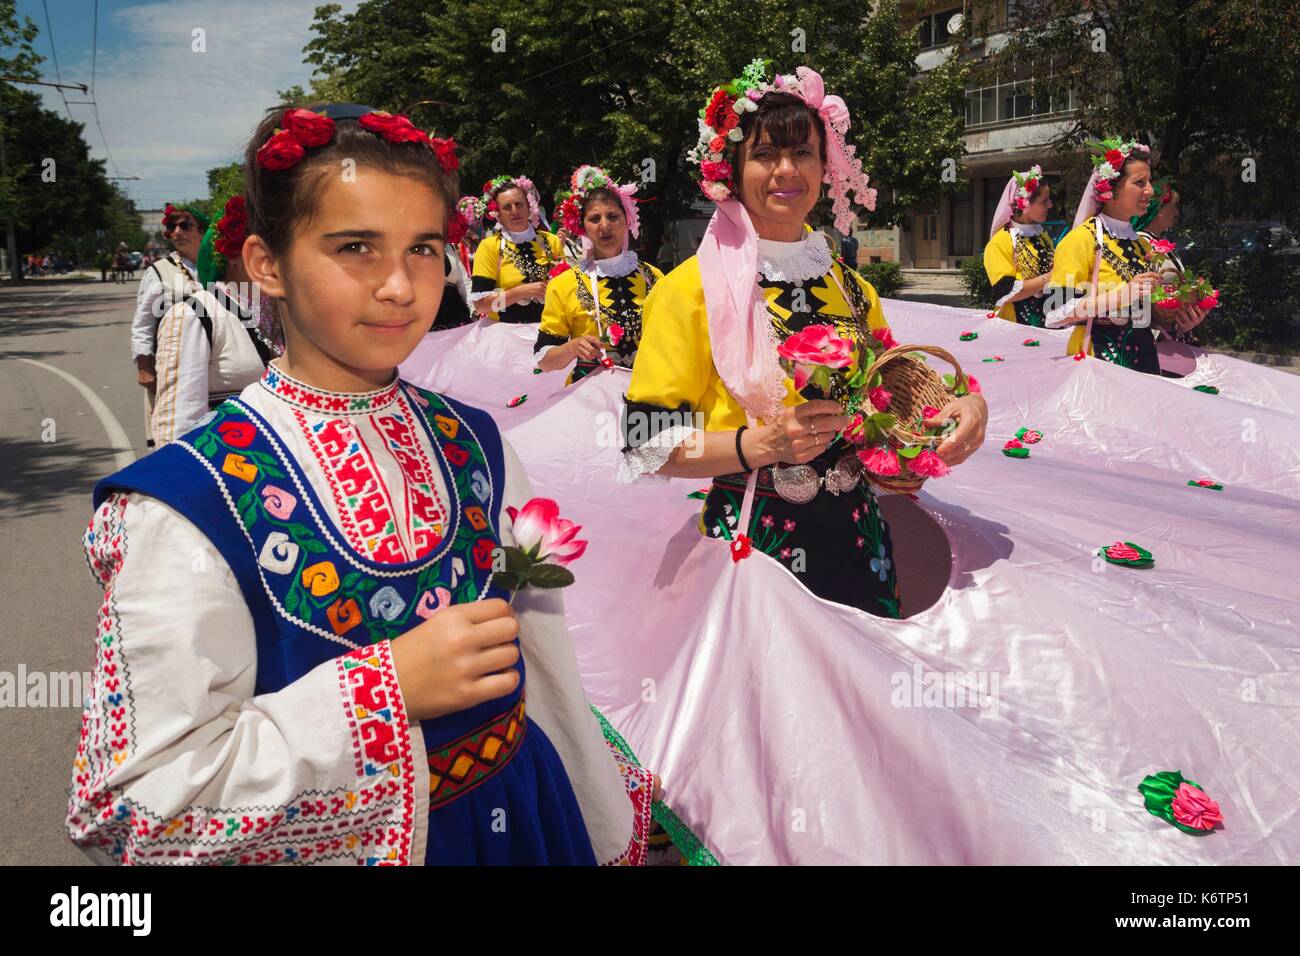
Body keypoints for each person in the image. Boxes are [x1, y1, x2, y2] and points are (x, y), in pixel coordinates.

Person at [67, 104, 651, 866]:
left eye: (423, 249)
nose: (401, 287)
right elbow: (132, 808)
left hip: (524, 819)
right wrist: (383, 692)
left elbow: (545, 663)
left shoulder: (477, 440)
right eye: (355, 248)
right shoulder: (186, 504)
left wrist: (594, 812)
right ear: (266, 264)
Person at [619, 60, 988, 619]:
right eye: (765, 154)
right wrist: (761, 445)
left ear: (825, 166)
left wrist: (965, 406)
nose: (786, 170)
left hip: (858, 538)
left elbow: (898, 390)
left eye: (803, 153)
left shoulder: (849, 285)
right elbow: (645, 444)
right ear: (734, 170)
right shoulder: (689, 290)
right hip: (752, 546)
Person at [1044, 138, 1209, 374]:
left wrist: (1180, 320)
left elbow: (1143, 314)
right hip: (1098, 360)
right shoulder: (1081, 240)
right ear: (1110, 190)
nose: (1150, 191)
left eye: (1149, 181)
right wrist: (1120, 295)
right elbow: (1055, 312)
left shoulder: (1140, 244)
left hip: (1143, 358)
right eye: (1139, 182)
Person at [149, 194, 279, 446]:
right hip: (229, 468)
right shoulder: (194, 315)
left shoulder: (285, 310)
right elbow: (176, 427)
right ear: (234, 254)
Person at [535, 166, 663, 383]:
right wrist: (572, 347)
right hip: (591, 395)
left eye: (613, 216)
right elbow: (544, 362)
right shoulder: (563, 285)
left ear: (627, 221)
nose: (605, 226)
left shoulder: (653, 277)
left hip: (648, 389)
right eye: (594, 219)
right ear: (583, 227)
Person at [131, 203, 207, 446]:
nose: (176, 232)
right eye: (171, 227)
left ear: (202, 231)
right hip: (173, 362)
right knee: (173, 430)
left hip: (213, 363)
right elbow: (143, 323)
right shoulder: (159, 271)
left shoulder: (217, 267)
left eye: (185, 225)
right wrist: (144, 365)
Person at [469, 175, 564, 323]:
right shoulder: (489, 246)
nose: (514, 211)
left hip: (552, 326)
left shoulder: (551, 241)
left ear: (529, 206)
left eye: (519, 204)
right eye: (507, 207)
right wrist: (521, 292)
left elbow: (567, 288)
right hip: (507, 333)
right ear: (498, 214)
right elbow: (481, 305)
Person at [983, 164, 1056, 327]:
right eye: (1044, 201)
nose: (1050, 205)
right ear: (1024, 203)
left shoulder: (1042, 237)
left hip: (1045, 321)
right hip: (1014, 324)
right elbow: (1005, 292)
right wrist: (1050, 277)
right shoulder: (1001, 242)